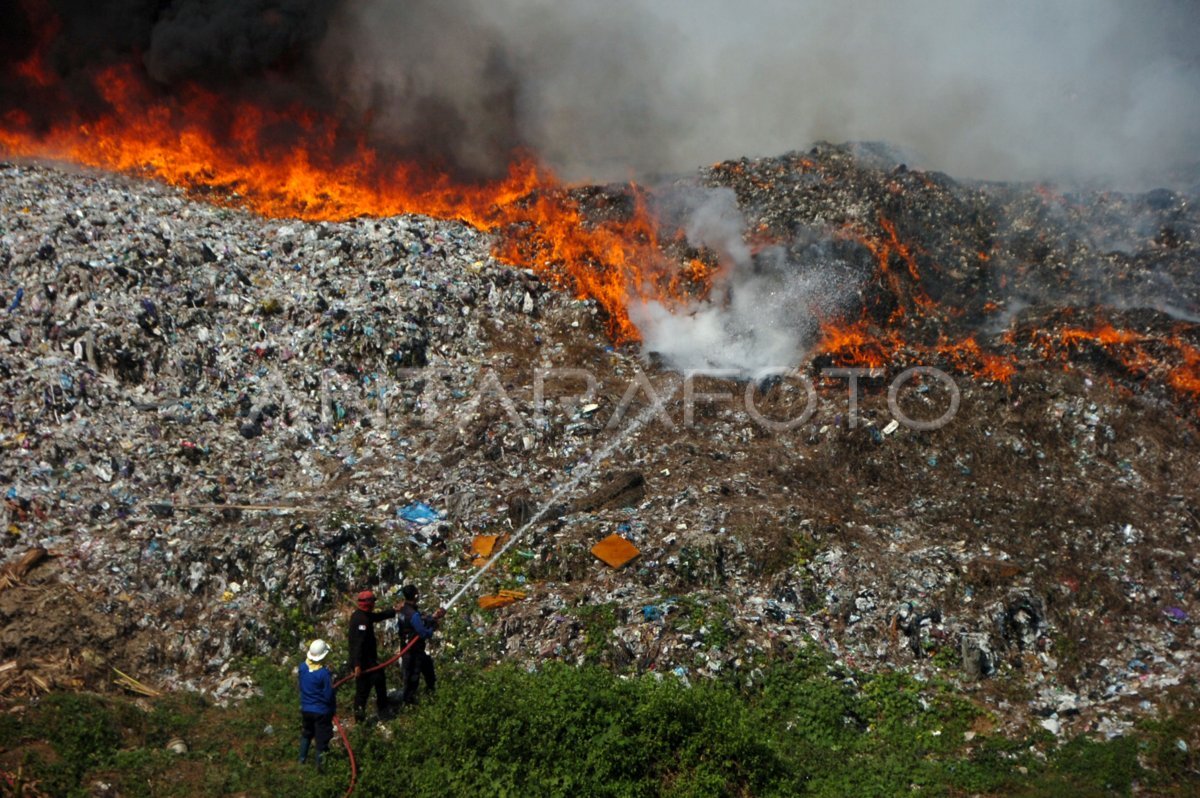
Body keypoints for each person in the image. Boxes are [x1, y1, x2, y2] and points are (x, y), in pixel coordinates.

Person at [348, 588, 398, 722]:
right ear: (368, 603)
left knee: (380, 679)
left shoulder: (363, 615)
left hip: (369, 661)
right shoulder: (361, 620)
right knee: (362, 692)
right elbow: (358, 644)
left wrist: (393, 611)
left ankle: (382, 708)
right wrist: (357, 665)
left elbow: (377, 617)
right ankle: (360, 721)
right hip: (363, 664)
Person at [399, 585, 445, 706]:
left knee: (429, 673)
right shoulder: (413, 614)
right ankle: (409, 705)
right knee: (412, 680)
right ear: (415, 595)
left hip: (410, 651)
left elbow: (419, 621)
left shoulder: (404, 610)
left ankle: (431, 698)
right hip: (413, 653)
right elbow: (423, 633)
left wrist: (433, 617)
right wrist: (433, 627)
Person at [298, 639, 335, 771]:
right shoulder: (323, 674)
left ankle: (301, 760)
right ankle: (320, 768)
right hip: (321, 711)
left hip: (306, 708)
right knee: (321, 739)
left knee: (307, 733)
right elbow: (328, 695)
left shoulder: (302, 668)